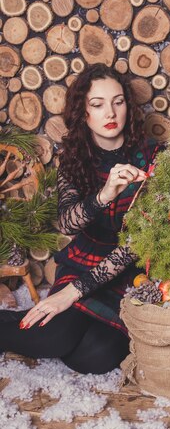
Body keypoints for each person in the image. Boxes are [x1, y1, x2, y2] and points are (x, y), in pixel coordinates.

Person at [0, 65, 158, 374]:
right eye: (97, 104)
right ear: (83, 112)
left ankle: (68, 320)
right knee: (55, 336)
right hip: (85, 260)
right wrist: (105, 194)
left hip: (130, 269)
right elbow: (67, 224)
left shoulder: (152, 157)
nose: (110, 112)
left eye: (118, 101)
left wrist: (70, 296)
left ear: (128, 104)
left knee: (94, 357)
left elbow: (137, 245)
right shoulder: (73, 159)